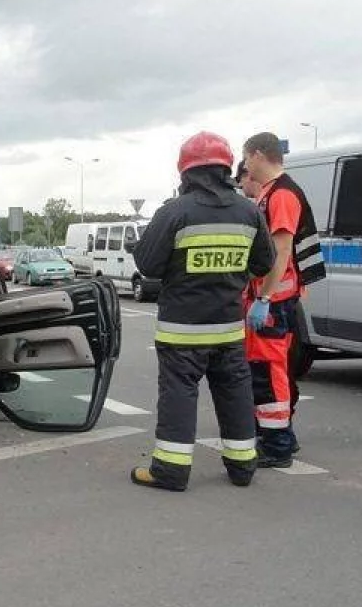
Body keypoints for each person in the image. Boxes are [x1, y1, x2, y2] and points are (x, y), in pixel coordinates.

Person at [129, 131, 276, 491]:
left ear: (185, 171)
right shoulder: (248, 211)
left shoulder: (175, 212)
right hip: (228, 328)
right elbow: (264, 263)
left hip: (182, 330)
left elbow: (147, 265)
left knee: (179, 395)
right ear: (227, 168)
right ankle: (243, 468)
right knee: (235, 394)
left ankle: (170, 471)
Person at [241, 132, 326, 468]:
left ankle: (277, 444)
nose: (245, 164)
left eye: (246, 157)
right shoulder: (273, 193)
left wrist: (264, 297)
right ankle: (277, 438)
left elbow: (281, 252)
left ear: (259, 155)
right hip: (272, 297)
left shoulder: (283, 195)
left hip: (274, 300)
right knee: (266, 369)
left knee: (269, 371)